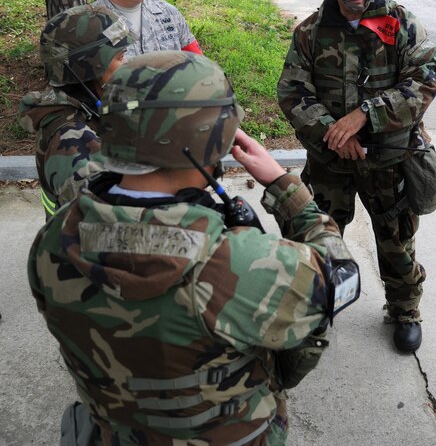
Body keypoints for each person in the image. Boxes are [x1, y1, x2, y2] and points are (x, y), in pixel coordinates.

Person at [28, 51, 357, 445]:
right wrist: (284, 187)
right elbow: (341, 276)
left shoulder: (53, 240)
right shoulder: (240, 264)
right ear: (211, 140)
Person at [277, 0, 436, 353]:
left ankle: (404, 309)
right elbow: (293, 93)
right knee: (320, 236)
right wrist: (334, 134)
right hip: (331, 161)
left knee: (396, 239)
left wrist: (364, 116)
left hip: (389, 158)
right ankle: (318, 306)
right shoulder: (312, 32)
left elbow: (423, 83)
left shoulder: (402, 24)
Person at [19, 3, 131, 218]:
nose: (126, 64)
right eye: (120, 57)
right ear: (90, 67)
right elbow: (105, 225)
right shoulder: (72, 138)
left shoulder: (85, 107)